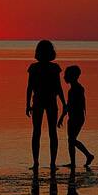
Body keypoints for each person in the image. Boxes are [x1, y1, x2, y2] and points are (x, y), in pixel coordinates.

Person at [26, 40, 66, 171]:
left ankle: (37, 162)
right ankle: (51, 163)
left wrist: (27, 104)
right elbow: (58, 87)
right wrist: (64, 103)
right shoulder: (53, 68)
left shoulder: (35, 67)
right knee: (51, 133)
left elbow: (30, 88)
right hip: (47, 101)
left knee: (37, 132)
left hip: (40, 101)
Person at [58, 65, 94, 168]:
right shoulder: (74, 89)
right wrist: (62, 117)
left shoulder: (77, 89)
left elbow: (71, 105)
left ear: (72, 76)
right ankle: (73, 163)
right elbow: (69, 106)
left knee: (72, 140)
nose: (64, 77)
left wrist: (62, 117)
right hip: (73, 117)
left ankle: (88, 155)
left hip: (77, 118)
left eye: (66, 75)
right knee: (70, 140)